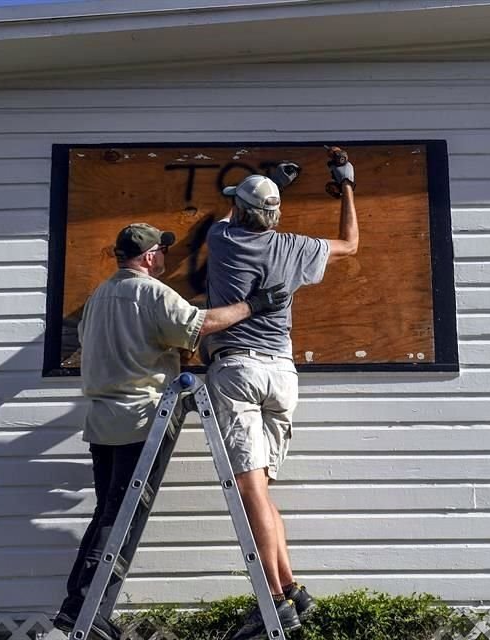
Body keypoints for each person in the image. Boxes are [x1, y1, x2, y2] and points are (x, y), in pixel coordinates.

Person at [54, 222, 290, 637]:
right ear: (147, 257)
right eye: (161, 251)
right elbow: (200, 325)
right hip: (139, 419)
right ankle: (87, 612)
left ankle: (80, 605)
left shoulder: (100, 295)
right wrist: (254, 304)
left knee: (107, 513)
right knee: (121, 518)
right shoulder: (152, 293)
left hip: (102, 419)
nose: (165, 257)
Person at [205, 156, 359, 640]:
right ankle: (291, 587)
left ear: (244, 211)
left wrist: (270, 183)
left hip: (239, 368)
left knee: (250, 489)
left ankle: (272, 600)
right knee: (263, 489)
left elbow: (225, 216)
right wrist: (346, 186)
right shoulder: (295, 247)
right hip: (282, 373)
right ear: (276, 215)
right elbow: (352, 244)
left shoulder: (224, 240)